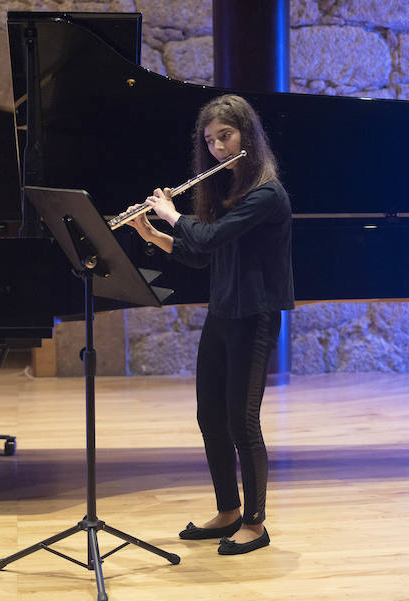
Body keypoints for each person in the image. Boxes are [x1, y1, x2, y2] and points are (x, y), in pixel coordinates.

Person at [126, 94, 294, 555]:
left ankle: (256, 524)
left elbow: (209, 234)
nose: (219, 148)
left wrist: (171, 213)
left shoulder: (265, 193)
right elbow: (200, 253)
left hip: (255, 316)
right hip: (223, 312)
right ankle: (228, 511)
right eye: (211, 140)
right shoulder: (229, 192)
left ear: (247, 137)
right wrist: (152, 233)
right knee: (210, 417)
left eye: (226, 137)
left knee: (243, 420)